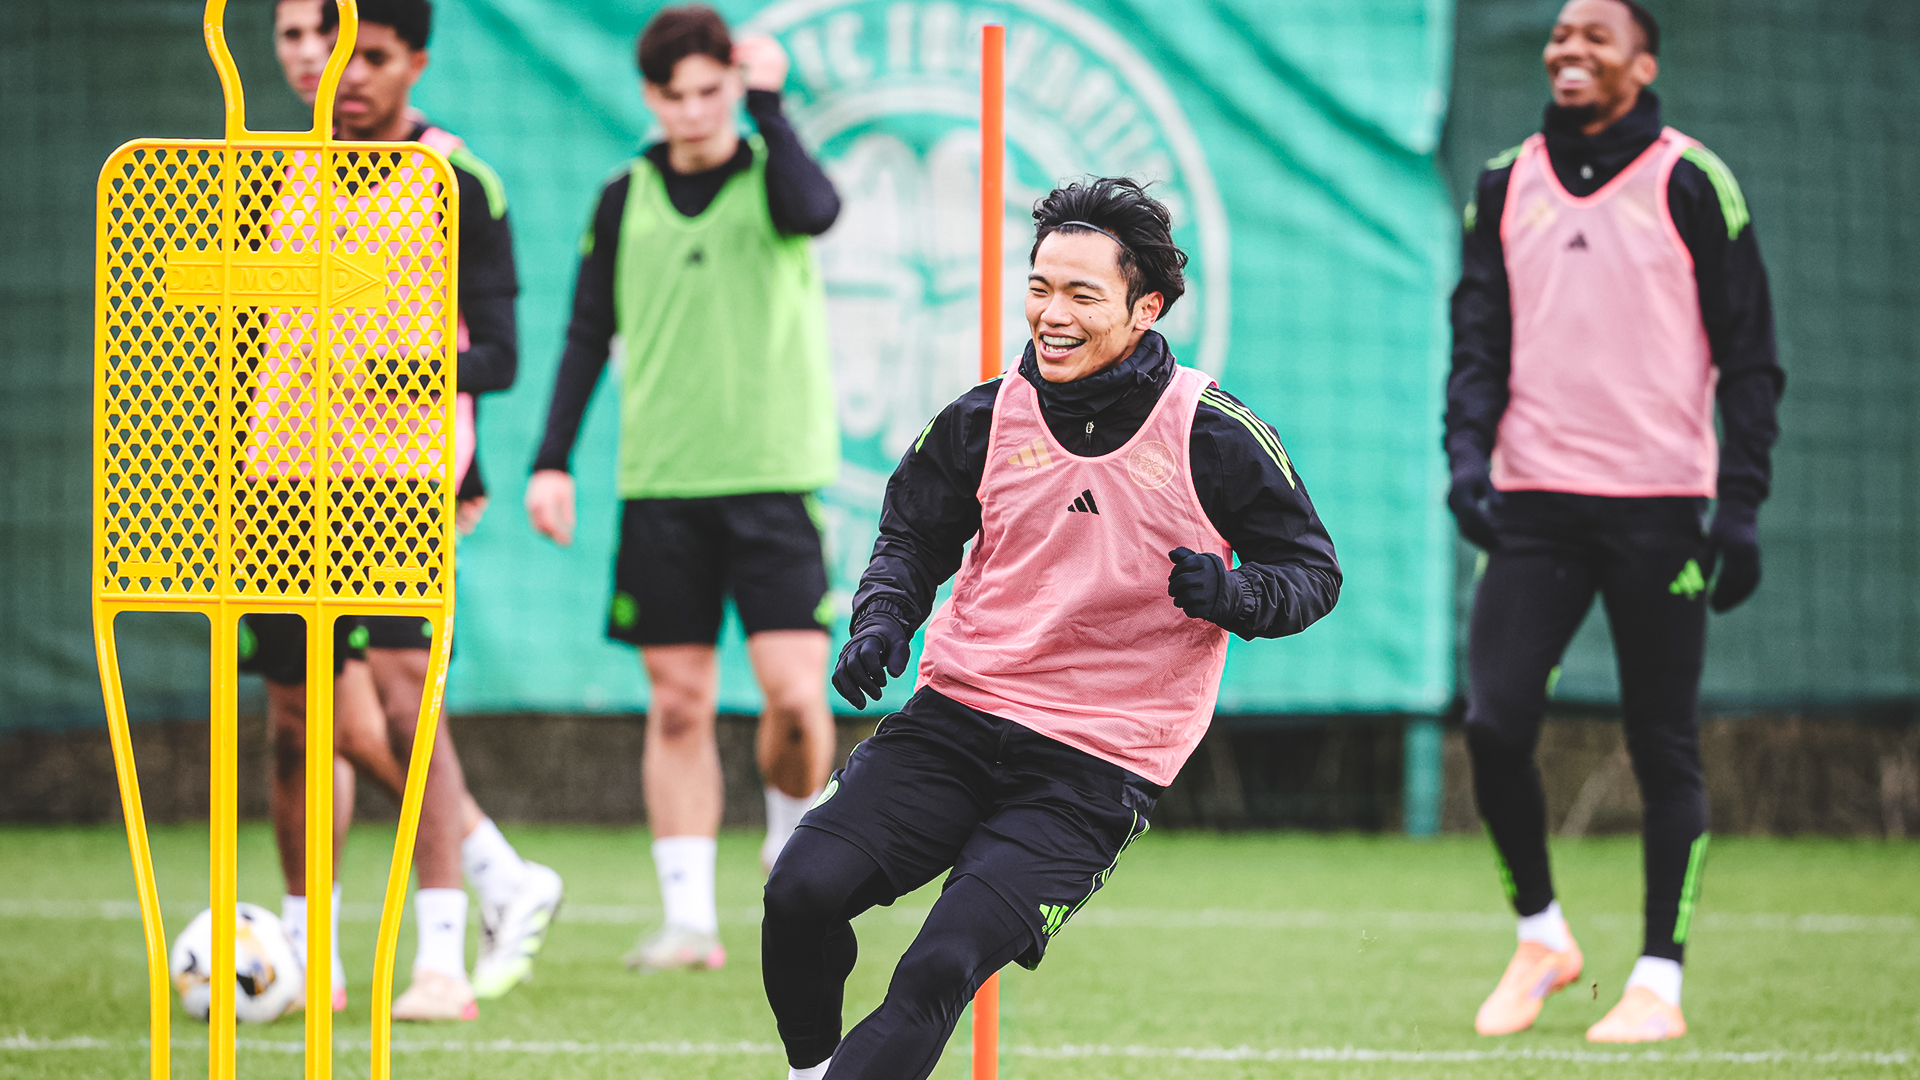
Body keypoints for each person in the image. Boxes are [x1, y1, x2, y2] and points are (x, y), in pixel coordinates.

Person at [760, 178, 1341, 1080]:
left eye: (1081, 294)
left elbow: (1312, 574)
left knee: (941, 964)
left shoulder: (1212, 432)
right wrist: (882, 622)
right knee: (798, 894)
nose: (1052, 314)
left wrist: (1231, 594)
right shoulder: (983, 415)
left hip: (1097, 762)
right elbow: (912, 534)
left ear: (1145, 308)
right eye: (1039, 287)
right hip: (957, 718)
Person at [1446, 0, 1782, 1044]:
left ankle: (1658, 984)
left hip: (1661, 511)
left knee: (1661, 741)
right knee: (1494, 724)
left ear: (1641, 62)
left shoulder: (1693, 179)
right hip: (1536, 507)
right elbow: (1478, 342)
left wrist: (1740, 510)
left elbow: (1752, 357)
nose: (1569, 48)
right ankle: (1543, 935)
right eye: (1558, 34)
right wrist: (1466, 461)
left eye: (1596, 35)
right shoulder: (1505, 183)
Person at [241, 0, 564, 1022]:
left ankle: (439, 960)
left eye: (365, 54)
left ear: (413, 59)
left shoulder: (455, 179)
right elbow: (253, 334)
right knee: (297, 727)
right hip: (279, 483)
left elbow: (501, 355)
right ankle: (309, 955)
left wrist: (403, 372)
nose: (336, 71)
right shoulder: (269, 175)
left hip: (395, 483)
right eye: (309, 43)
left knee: (399, 708)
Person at [526, 4, 841, 972]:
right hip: (661, 485)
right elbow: (586, 333)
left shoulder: (770, 171)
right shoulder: (623, 198)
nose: (698, 109)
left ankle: (790, 844)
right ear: (650, 96)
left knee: (795, 700)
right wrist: (550, 459)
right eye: (679, 94)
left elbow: (816, 211)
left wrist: (772, 107)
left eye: (715, 90)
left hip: (775, 480)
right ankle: (688, 919)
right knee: (678, 705)